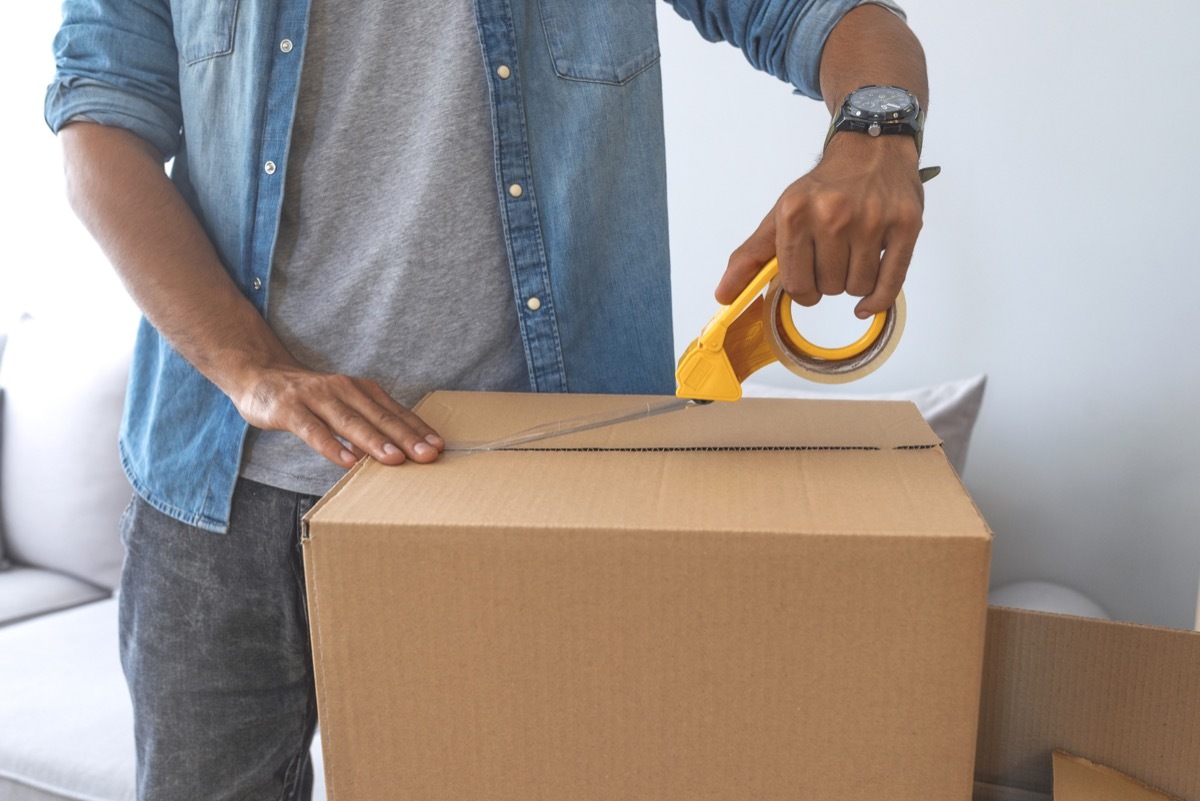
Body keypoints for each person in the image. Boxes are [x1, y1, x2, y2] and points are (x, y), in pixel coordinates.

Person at [45, 1, 930, 798]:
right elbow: (99, 117)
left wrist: (877, 128)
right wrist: (250, 366)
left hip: (527, 502)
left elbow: (833, 18)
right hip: (217, 493)